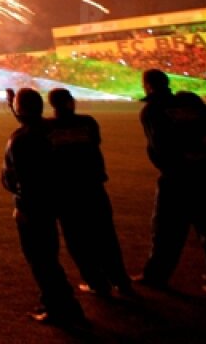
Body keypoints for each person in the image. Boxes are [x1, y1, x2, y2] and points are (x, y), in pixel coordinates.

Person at [135, 69, 206, 296]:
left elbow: (161, 147)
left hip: (177, 178)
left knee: (166, 232)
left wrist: (189, 154)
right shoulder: (190, 102)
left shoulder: (152, 111)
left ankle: (156, 277)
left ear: (148, 86)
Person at [1, 88, 85, 327]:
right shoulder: (50, 129)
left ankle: (63, 308)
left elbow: (23, 180)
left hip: (34, 206)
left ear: (21, 111)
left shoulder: (22, 139)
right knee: (49, 257)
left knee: (42, 260)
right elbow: (31, 119)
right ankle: (54, 301)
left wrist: (23, 206)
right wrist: (13, 105)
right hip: (60, 198)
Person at [46, 88, 132, 297]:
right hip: (93, 187)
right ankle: (120, 280)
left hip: (66, 192)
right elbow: (94, 144)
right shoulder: (88, 123)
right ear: (70, 102)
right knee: (106, 236)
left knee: (77, 240)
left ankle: (97, 282)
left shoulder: (46, 128)